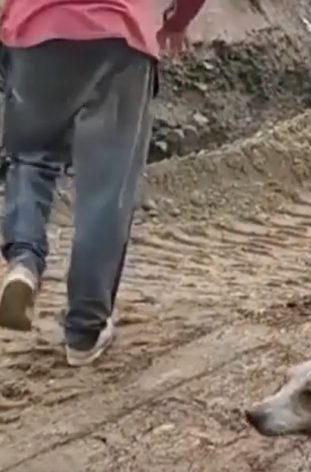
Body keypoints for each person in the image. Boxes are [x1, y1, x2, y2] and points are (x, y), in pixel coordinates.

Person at [0, 0, 206, 366]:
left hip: (31, 30)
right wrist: (178, 21)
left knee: (31, 159)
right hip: (117, 34)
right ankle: (84, 330)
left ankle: (23, 261)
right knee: (106, 188)